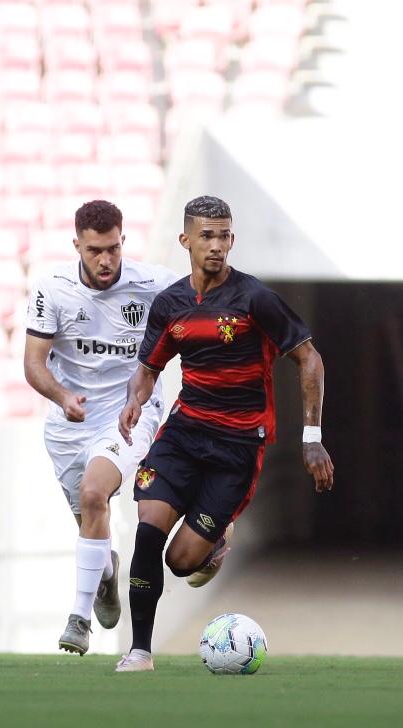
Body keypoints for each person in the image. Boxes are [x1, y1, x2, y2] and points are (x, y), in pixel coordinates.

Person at [113, 195, 334, 672]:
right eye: (207, 236)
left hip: (237, 446)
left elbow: (309, 357)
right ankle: (140, 651)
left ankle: (212, 542)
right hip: (184, 432)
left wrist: (311, 437)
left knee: (180, 561)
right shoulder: (170, 303)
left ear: (232, 240)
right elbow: (148, 368)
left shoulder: (254, 299)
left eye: (224, 236)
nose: (216, 245)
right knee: (147, 529)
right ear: (185, 240)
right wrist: (135, 398)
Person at [23, 200, 178, 655]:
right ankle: (106, 572)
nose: (106, 260)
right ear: (77, 245)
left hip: (130, 413)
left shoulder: (152, 284)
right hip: (69, 422)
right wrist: (62, 397)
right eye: (95, 251)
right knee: (90, 519)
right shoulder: (52, 289)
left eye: (113, 248)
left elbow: (202, 297)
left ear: (122, 241)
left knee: (95, 494)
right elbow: (33, 364)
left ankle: (78, 617)